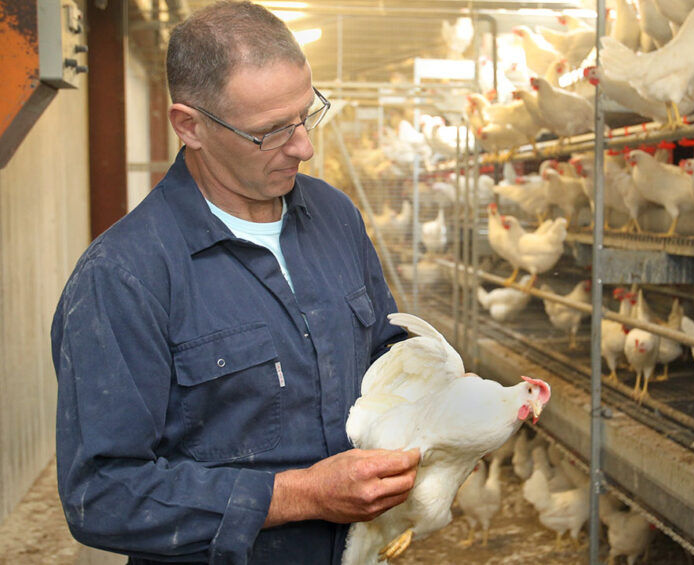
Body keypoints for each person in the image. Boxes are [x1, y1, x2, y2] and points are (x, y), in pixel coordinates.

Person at [50, 2, 419, 563]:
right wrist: (301, 495)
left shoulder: (334, 215)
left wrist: (441, 391)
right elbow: (102, 495)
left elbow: (383, 353)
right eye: (269, 131)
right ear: (189, 126)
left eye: (306, 113)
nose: (303, 146)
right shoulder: (124, 277)